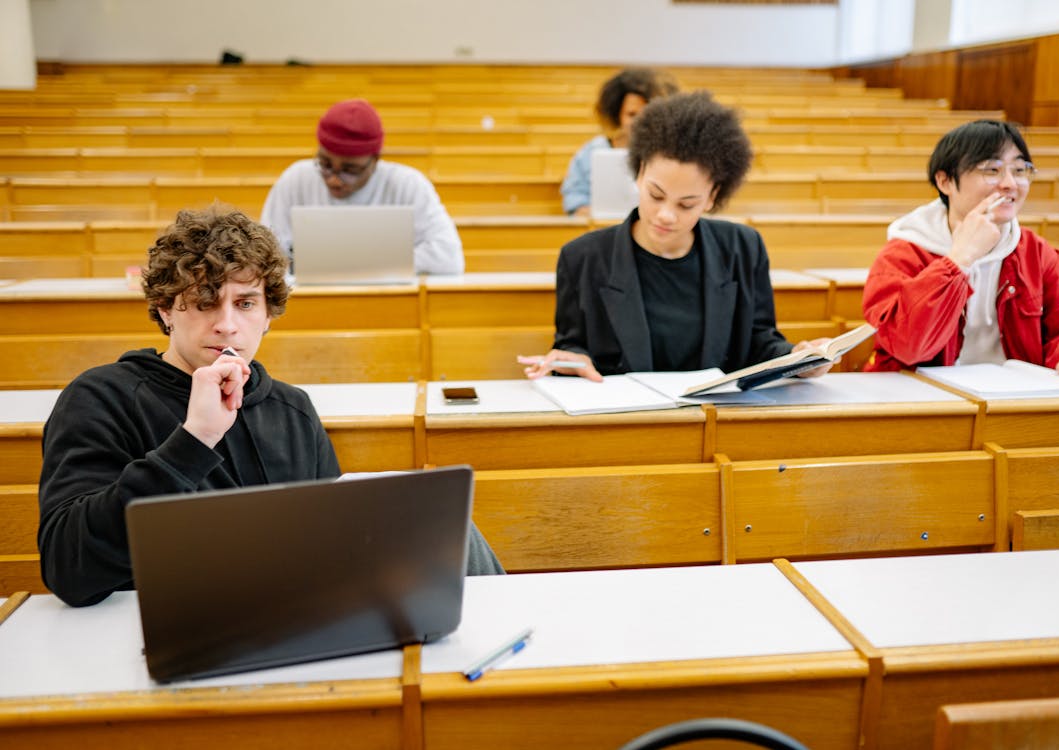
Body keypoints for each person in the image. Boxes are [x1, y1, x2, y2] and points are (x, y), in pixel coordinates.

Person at [38, 206, 501, 608]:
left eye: (245, 303)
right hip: (157, 631)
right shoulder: (101, 398)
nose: (227, 325)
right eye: (203, 302)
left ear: (268, 314)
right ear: (164, 308)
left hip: (284, 623)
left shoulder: (293, 410)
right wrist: (193, 440)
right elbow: (69, 570)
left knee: (451, 528)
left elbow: (325, 552)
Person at [525, 91, 835, 382]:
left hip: (716, 421)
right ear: (640, 172)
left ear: (713, 196)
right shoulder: (582, 257)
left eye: (687, 204)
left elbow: (759, 340)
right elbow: (573, 346)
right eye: (656, 195)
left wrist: (797, 359)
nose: (666, 215)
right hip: (624, 425)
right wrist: (571, 361)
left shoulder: (743, 248)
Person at [863, 119, 1059, 375]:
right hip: (925, 402)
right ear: (945, 181)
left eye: (1020, 170)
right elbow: (908, 347)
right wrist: (958, 261)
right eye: (991, 170)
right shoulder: (904, 253)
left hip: (1014, 402)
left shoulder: (1037, 254)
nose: (1010, 183)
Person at [261, 98, 465, 275]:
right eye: (325, 165)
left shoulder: (408, 185)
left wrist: (355, 264)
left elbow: (449, 256)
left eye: (350, 170)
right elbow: (265, 256)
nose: (334, 179)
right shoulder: (295, 179)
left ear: (375, 160)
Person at [560, 67, 679, 217]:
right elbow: (574, 198)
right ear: (617, 115)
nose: (640, 122)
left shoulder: (672, 153)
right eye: (632, 114)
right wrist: (589, 213)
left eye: (648, 114)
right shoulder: (591, 151)